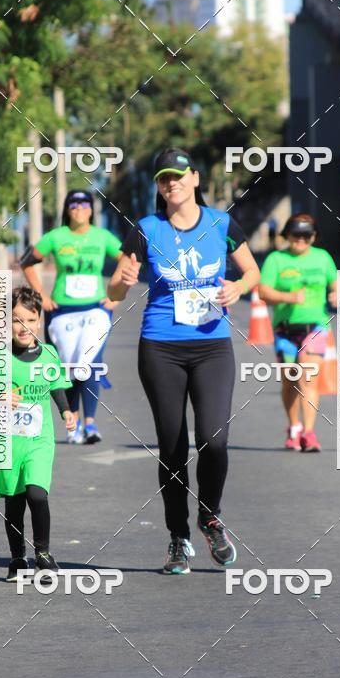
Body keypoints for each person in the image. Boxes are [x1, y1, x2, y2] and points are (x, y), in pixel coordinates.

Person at [108, 147, 260, 575]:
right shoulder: (145, 229)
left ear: (194, 178)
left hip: (212, 345)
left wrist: (238, 288)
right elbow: (116, 293)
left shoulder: (221, 223)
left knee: (214, 439)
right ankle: (178, 538)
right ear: (159, 187)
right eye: (163, 178)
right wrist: (120, 281)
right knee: (173, 447)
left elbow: (252, 272)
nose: (171, 183)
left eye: (178, 175)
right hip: (161, 348)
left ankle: (210, 517)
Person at [0, 286, 75, 581]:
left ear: (40, 321)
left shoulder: (48, 353)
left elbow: (56, 384)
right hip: (6, 442)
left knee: (37, 494)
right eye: (16, 320)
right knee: (14, 501)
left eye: (30, 320)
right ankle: (17, 559)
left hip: (39, 440)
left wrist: (66, 411)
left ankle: (43, 554)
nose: (24, 327)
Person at [20, 189, 122, 445]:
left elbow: (129, 260)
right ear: (67, 209)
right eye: (73, 203)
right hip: (61, 311)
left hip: (95, 309)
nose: (79, 207)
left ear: (91, 209)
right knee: (67, 367)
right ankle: (72, 422)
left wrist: (117, 294)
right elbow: (26, 262)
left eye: (85, 203)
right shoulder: (56, 237)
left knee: (91, 363)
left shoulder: (102, 237)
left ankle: (91, 424)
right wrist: (41, 295)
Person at [258, 213, 337, 453]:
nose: (301, 239)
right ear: (286, 235)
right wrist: (288, 297)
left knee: (309, 377)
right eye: (296, 234)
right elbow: (263, 291)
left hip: (316, 326)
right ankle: (294, 427)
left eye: (307, 235)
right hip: (285, 329)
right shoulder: (276, 259)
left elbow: (336, 285)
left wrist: (336, 295)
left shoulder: (323, 258)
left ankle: (309, 433)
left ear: (314, 237)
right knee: (290, 380)